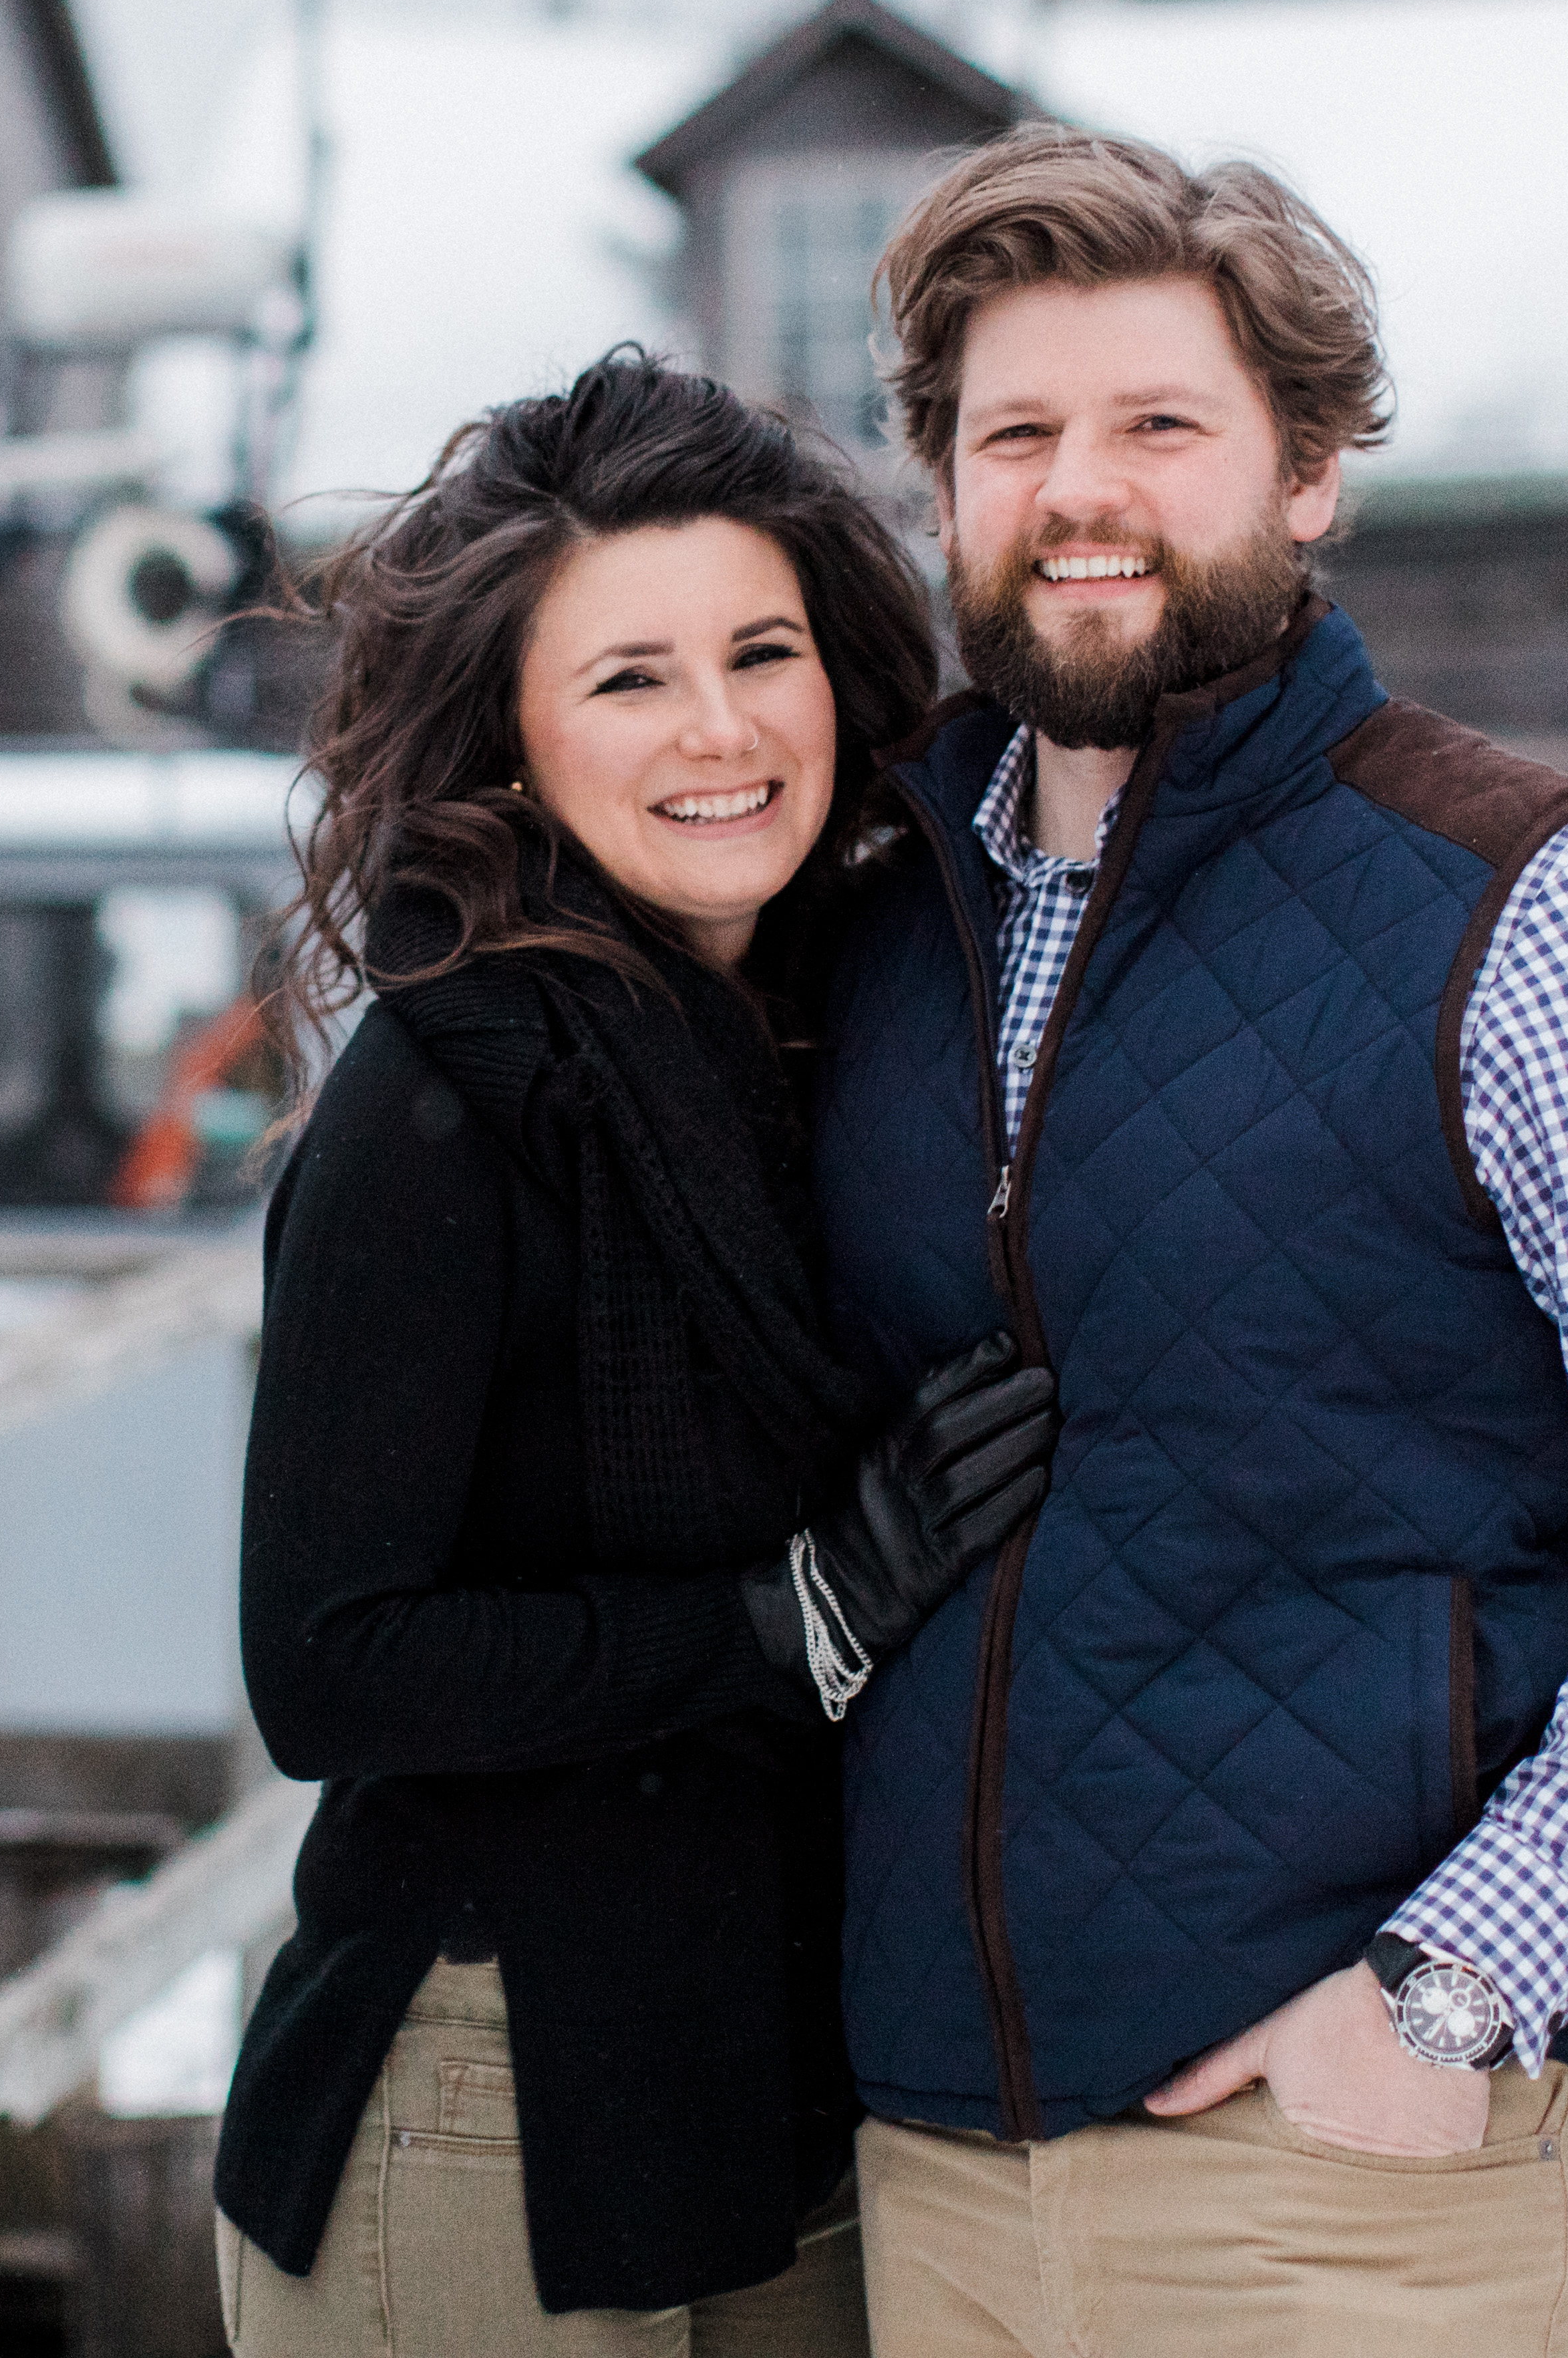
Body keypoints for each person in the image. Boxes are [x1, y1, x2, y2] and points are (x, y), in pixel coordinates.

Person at [811, 130, 1568, 2357]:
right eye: (1014, 433)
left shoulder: (1535, 906)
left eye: (1161, 425)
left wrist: (1453, 1989)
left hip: (1355, 2183)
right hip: (931, 2165)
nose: (1079, 489)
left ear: (1310, 473)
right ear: (945, 491)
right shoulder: (877, 923)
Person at [215, 355, 1060, 2358]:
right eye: (625, 679)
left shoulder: (836, 1053)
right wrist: (786, 1623)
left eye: (761, 651)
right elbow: (326, 1663)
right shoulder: (447, 1097)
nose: (718, 728)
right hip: (485, 2084)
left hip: (785, 2082)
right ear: (507, 741)